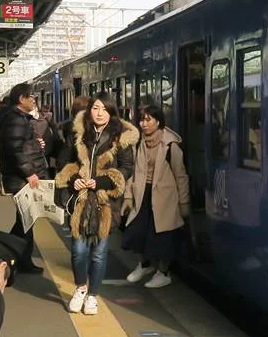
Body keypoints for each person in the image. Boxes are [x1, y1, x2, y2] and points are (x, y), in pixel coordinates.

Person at [55, 94, 137, 315]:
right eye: (96, 108)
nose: (99, 113)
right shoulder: (78, 133)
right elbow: (63, 162)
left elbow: (127, 168)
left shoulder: (121, 137)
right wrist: (74, 179)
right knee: (78, 251)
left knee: (99, 253)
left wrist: (101, 181)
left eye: (104, 109)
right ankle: (81, 288)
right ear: (89, 110)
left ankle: (93, 296)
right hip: (80, 201)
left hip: (106, 202)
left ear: (111, 112)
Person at [121, 104, 189, 289]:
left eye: (148, 120)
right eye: (142, 119)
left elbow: (180, 175)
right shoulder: (138, 143)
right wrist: (128, 196)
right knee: (137, 231)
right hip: (142, 192)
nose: (143, 124)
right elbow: (133, 172)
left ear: (158, 122)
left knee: (162, 235)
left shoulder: (171, 145)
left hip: (165, 197)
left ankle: (163, 273)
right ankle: (144, 265)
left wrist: (184, 202)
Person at [0, 83, 46, 274]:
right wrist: (29, 173)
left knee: (25, 220)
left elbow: (19, 144)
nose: (34, 100)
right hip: (20, 179)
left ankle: (17, 258)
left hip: (18, 177)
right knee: (26, 221)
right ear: (21, 99)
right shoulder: (16, 119)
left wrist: (35, 142)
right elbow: (14, 149)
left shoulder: (15, 118)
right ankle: (7, 254)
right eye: (31, 97)